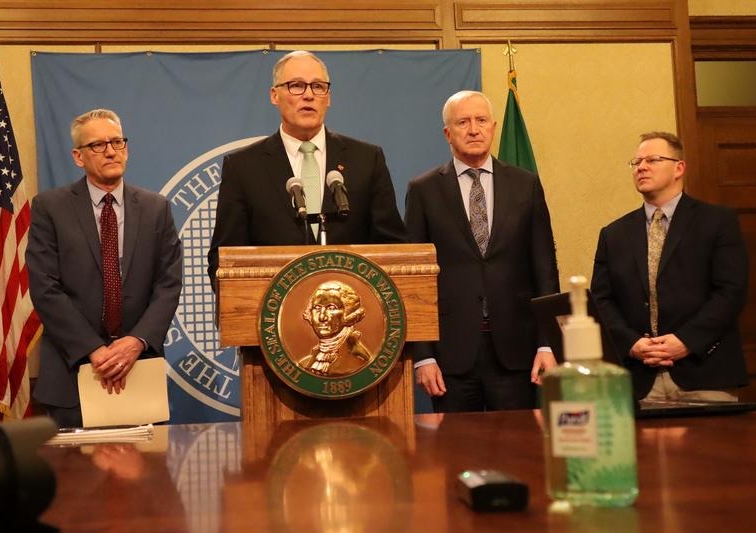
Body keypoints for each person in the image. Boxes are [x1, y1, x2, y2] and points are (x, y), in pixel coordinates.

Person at [404, 90, 560, 412]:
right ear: (448, 133)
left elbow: (545, 268)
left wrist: (547, 343)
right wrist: (423, 355)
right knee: (457, 456)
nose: (473, 129)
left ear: (493, 126)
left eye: (481, 120)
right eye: (463, 122)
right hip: (451, 354)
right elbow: (414, 278)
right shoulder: (423, 190)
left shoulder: (525, 184)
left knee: (518, 453)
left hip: (517, 350)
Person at [26, 108, 182, 427]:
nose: (110, 151)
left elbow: (168, 284)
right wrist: (94, 349)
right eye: (97, 145)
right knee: (79, 477)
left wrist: (137, 341)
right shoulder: (50, 208)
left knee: (146, 475)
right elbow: (45, 287)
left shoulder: (156, 208)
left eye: (117, 142)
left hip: (140, 370)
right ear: (78, 157)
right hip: (73, 376)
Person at [207, 50, 406, 288]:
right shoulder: (243, 166)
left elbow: (393, 247)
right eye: (296, 86)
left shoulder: (366, 158)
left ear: (328, 97)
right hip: (272, 315)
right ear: (274, 95)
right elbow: (225, 259)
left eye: (318, 87)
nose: (309, 95)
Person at [591, 131, 748, 401]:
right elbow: (602, 301)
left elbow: (731, 292)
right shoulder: (613, 234)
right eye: (636, 162)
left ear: (679, 168)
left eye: (652, 160)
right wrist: (632, 344)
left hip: (704, 373)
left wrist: (686, 341)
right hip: (638, 380)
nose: (641, 167)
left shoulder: (718, 222)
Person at [299, 281, 372, 376]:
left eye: (331, 308)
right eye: (317, 307)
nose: (322, 317)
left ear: (349, 314)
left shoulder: (360, 361)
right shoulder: (305, 363)